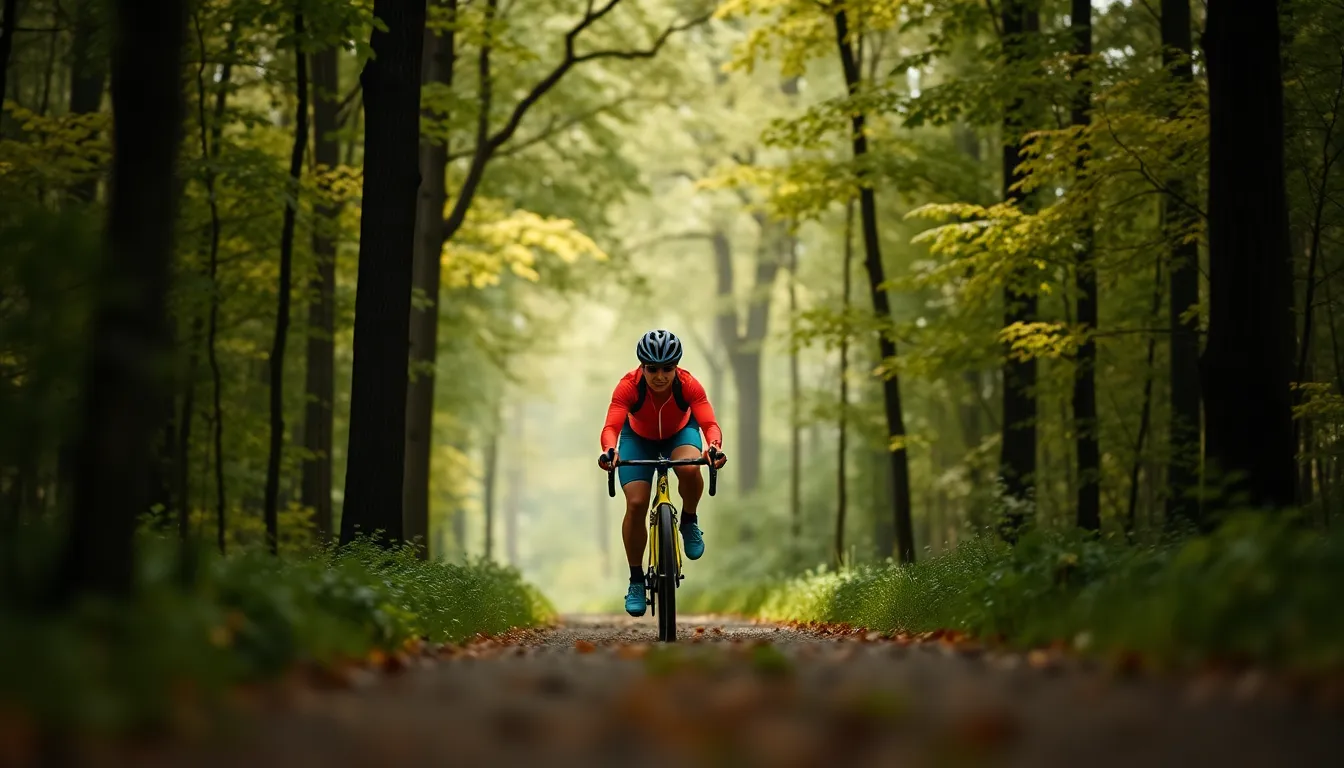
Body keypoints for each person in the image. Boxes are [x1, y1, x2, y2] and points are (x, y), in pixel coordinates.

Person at [598, 329, 728, 617]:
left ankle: (689, 521)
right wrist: (610, 451)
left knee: (689, 467)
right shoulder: (628, 387)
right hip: (637, 439)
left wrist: (714, 447)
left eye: (667, 368)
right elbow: (611, 428)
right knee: (636, 503)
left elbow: (709, 424)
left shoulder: (688, 385)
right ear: (642, 367)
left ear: (676, 367)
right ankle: (636, 581)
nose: (660, 376)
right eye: (652, 369)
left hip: (680, 434)